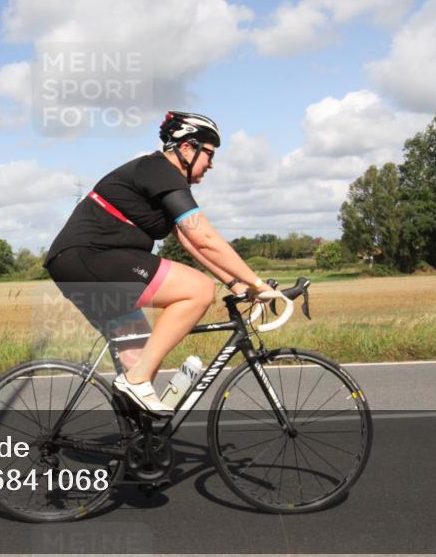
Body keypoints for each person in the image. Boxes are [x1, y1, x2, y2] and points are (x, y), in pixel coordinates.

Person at [44, 111, 274, 415]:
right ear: (188, 148)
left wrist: (236, 283)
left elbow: (191, 242)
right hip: (92, 257)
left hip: (77, 262)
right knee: (199, 289)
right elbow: (203, 235)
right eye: (209, 154)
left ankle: (137, 449)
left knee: (141, 358)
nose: (212, 164)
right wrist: (257, 283)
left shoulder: (163, 181)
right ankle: (136, 383)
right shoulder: (159, 170)